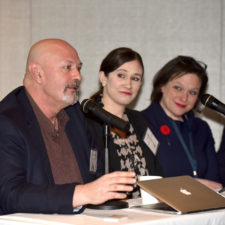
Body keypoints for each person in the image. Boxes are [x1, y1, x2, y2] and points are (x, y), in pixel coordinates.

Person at [0, 39, 136, 215]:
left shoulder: (74, 114)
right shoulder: (7, 122)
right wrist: (82, 193)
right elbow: (9, 195)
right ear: (37, 73)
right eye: (67, 67)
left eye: (78, 68)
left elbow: (95, 173)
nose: (78, 76)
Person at [84, 47, 163, 197]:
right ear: (103, 77)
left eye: (135, 78)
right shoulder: (86, 122)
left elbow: (156, 170)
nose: (128, 85)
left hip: (146, 213)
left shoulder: (139, 120)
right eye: (121, 75)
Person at [142, 55, 222, 190]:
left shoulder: (201, 128)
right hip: (158, 209)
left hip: (202, 208)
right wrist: (192, 184)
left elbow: (216, 184)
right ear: (162, 86)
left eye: (192, 92)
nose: (184, 97)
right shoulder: (140, 122)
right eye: (178, 88)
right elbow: (143, 181)